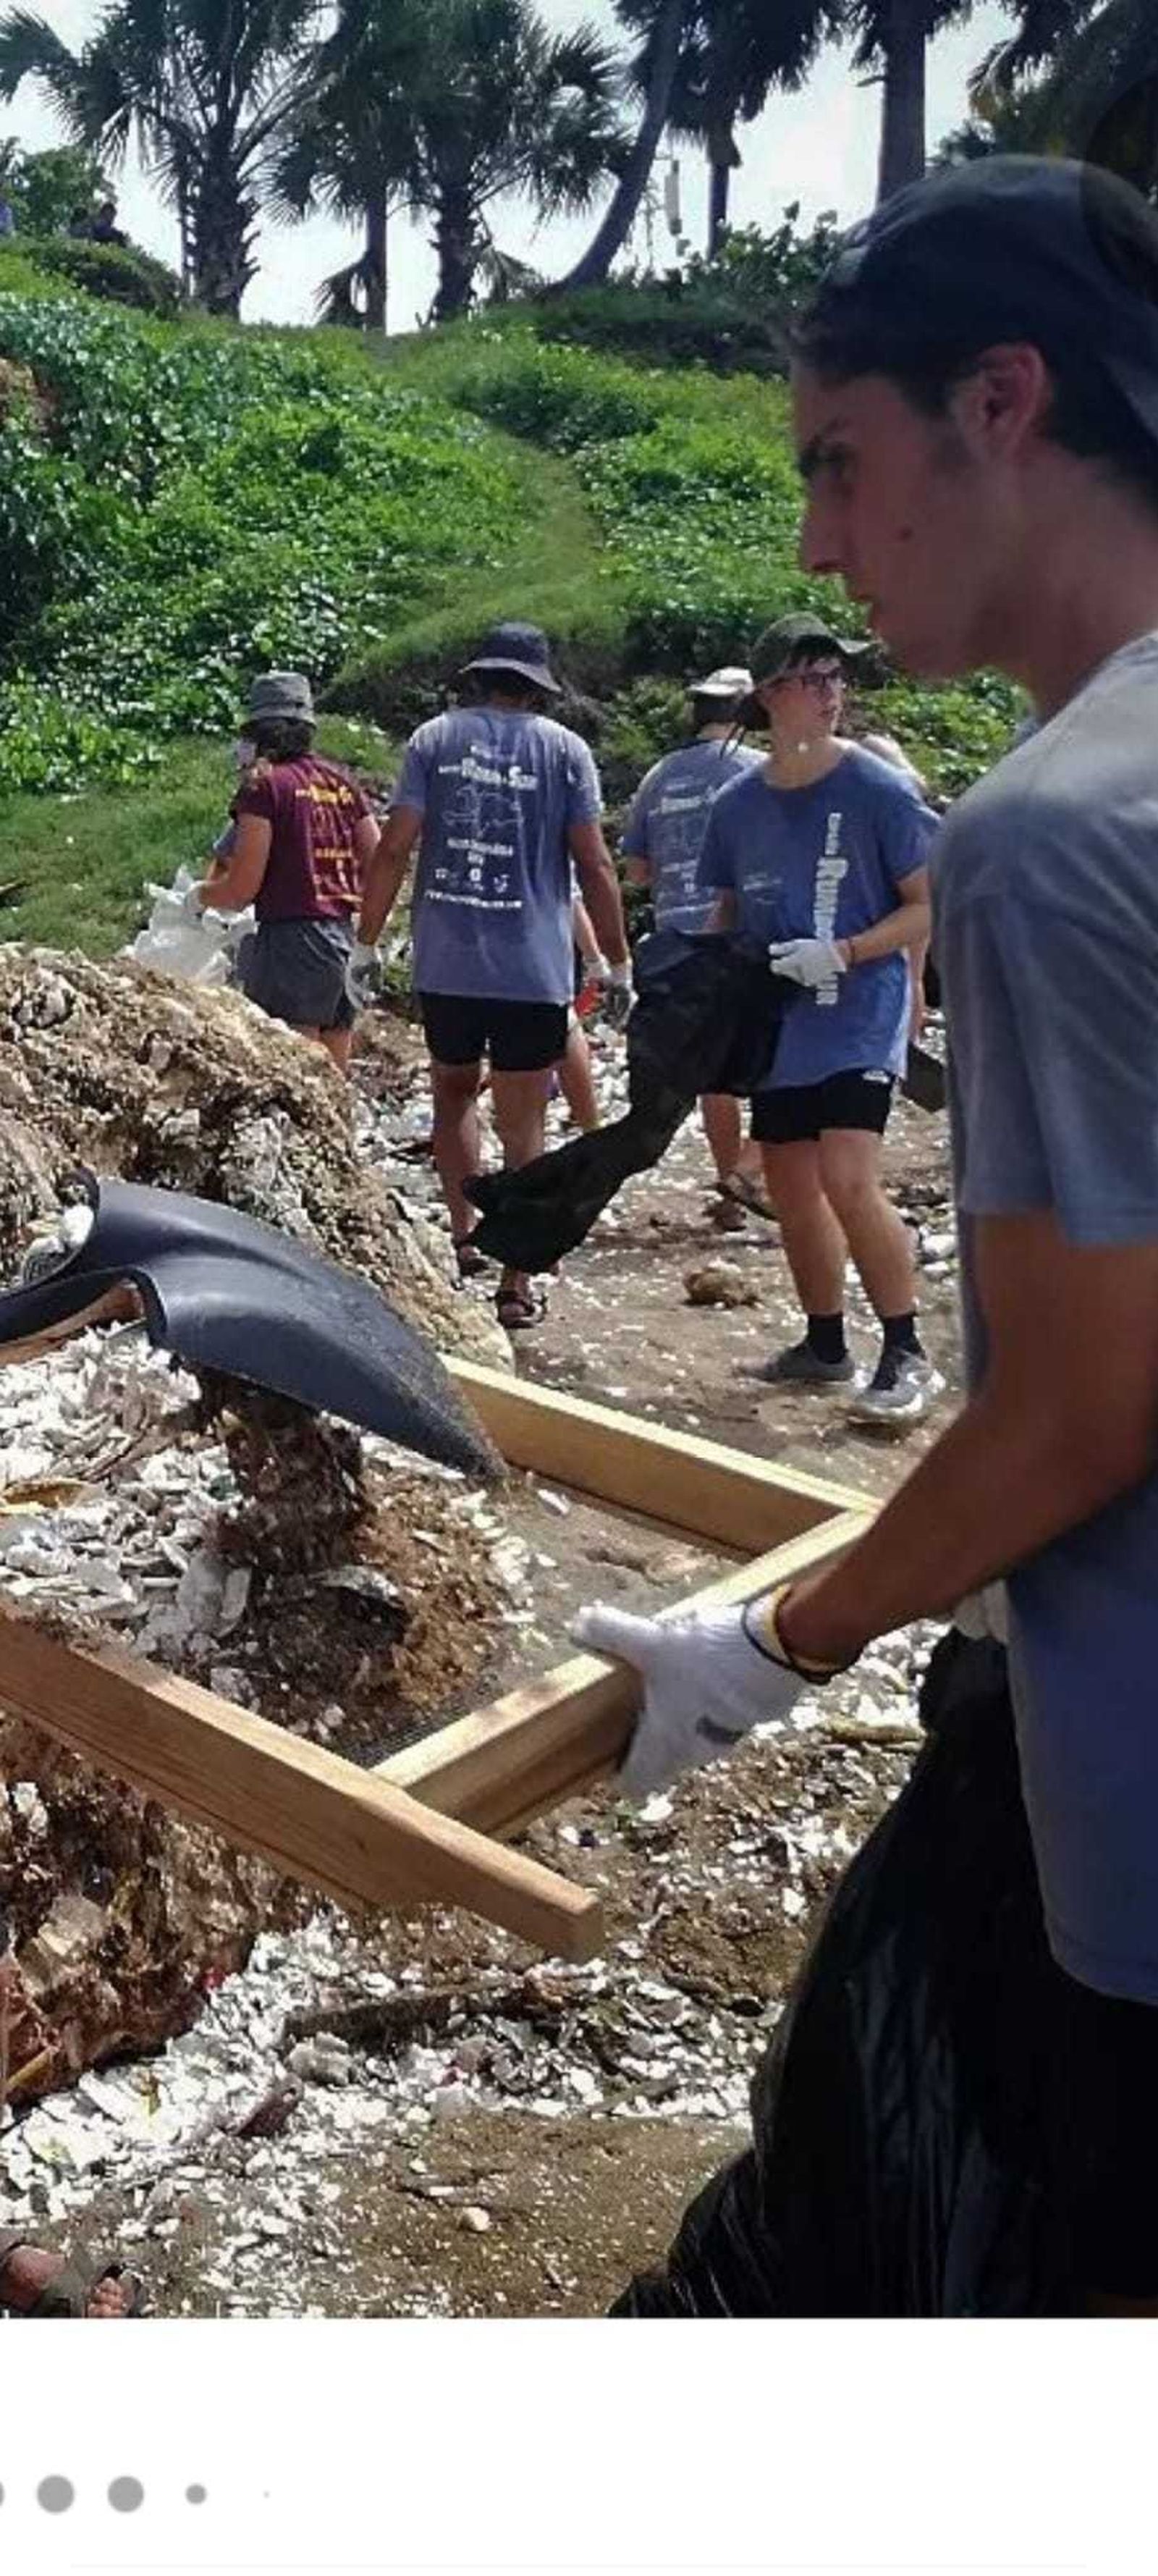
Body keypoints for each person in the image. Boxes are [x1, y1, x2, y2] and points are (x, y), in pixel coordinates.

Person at [578, 153, 1158, 2315]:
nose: (816, 538)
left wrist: (776, 1639)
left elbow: (1082, 1406)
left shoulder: (1055, 827)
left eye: (836, 460)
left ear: (997, 404)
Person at [348, 621, 631, 1331]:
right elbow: (593, 865)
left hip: (448, 964)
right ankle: (516, 1282)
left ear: (480, 678)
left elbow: (393, 851)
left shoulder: (432, 741)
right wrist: (618, 959)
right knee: (525, 1124)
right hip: (532, 972)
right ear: (537, 687)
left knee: (451, 1097)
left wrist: (365, 943)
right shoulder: (566, 752)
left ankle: (463, 1234)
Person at [696, 613, 938, 1423]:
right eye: (810, 679)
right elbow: (726, 914)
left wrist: (846, 953)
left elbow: (925, 909)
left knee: (846, 1175)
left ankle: (906, 1349)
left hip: (859, 1009)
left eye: (837, 678)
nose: (830, 695)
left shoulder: (877, 787)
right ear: (769, 695)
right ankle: (824, 1341)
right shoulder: (736, 807)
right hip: (782, 1023)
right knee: (794, 1186)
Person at [621, 665, 772, 1217]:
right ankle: (754, 1170)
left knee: (717, 1075)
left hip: (678, 943)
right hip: (747, 935)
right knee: (781, 1063)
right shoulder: (762, 770)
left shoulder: (660, 776)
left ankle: (730, 1185)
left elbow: (636, 870)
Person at [195, 671, 380, 1076]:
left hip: (292, 942)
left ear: (258, 733)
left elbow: (241, 889)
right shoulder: (343, 783)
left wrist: (197, 898)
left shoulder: (264, 787)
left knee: (296, 1074)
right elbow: (381, 861)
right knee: (334, 1069)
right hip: (344, 940)